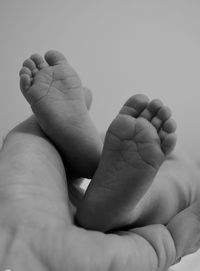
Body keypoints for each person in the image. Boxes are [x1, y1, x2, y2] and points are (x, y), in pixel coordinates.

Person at [1, 115, 200, 271]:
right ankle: (127, 203)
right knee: (180, 182)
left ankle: (84, 152)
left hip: (72, 189)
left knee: (181, 177)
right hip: (114, 191)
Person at [19, 50, 178, 231]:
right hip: (148, 158)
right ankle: (123, 204)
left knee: (180, 175)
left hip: (125, 152)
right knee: (181, 184)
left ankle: (91, 156)